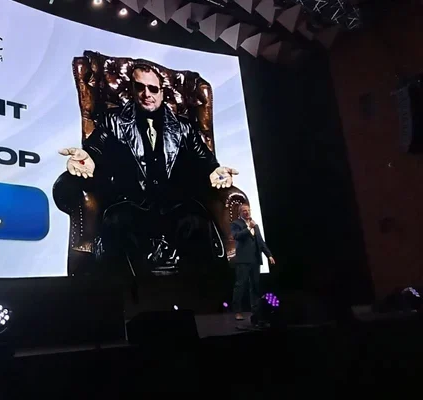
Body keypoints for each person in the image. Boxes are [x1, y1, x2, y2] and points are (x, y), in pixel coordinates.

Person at [59, 64, 239, 276]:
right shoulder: (112, 120)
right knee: (117, 222)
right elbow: (96, 149)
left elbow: (204, 160)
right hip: (130, 203)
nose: (147, 94)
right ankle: (130, 294)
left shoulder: (184, 127)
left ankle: (204, 294)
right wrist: (88, 158)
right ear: (132, 89)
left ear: (162, 92)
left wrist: (214, 171)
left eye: (153, 89)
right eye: (140, 87)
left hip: (176, 205)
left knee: (196, 222)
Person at [231, 204, 275, 320]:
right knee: (240, 285)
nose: (247, 212)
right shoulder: (236, 224)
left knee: (255, 286)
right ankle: (237, 311)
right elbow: (236, 236)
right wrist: (248, 228)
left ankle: (255, 311)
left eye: (248, 210)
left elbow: (260, 241)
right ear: (240, 213)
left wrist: (269, 255)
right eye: (244, 211)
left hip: (255, 259)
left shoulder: (255, 225)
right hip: (243, 260)